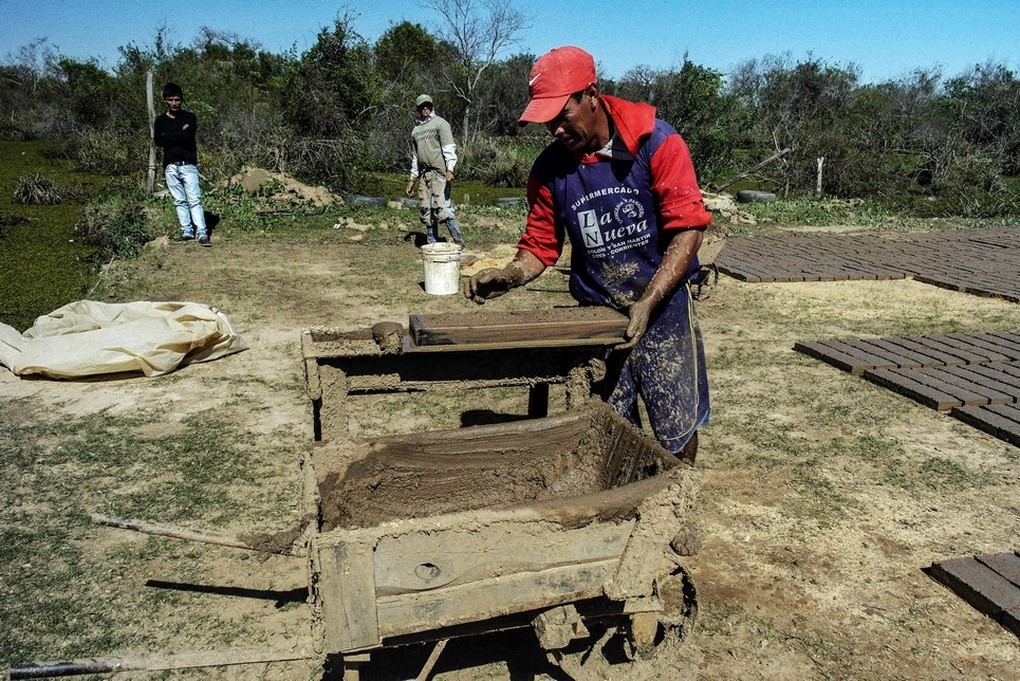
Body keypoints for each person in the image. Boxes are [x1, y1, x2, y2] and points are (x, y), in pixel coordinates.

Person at [465, 46, 712, 464]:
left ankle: (675, 504)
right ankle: (620, 502)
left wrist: (649, 301)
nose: (556, 130)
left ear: (592, 94)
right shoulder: (549, 169)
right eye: (547, 122)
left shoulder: (656, 142)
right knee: (609, 422)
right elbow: (541, 246)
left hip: (663, 303)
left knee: (675, 419)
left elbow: (688, 228)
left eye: (562, 116)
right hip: (598, 311)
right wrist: (507, 275)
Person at [154, 82, 210, 247]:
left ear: (182, 100)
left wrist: (170, 136)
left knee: (194, 199)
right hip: (170, 166)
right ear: (165, 100)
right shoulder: (160, 121)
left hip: (188, 165)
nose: (174, 103)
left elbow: (187, 137)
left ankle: (202, 232)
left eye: (177, 99)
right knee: (179, 200)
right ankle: (187, 231)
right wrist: (179, 133)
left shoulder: (189, 117)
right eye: (170, 99)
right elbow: (159, 140)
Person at [405, 94, 464, 246]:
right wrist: (412, 179)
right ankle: (432, 241)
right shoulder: (415, 131)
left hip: (440, 173)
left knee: (441, 208)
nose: (425, 108)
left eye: (428, 105)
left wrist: (450, 169)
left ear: (431, 106)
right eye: (422, 106)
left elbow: (449, 148)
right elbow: (415, 157)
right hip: (425, 174)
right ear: (418, 108)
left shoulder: (441, 124)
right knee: (426, 209)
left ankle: (458, 240)